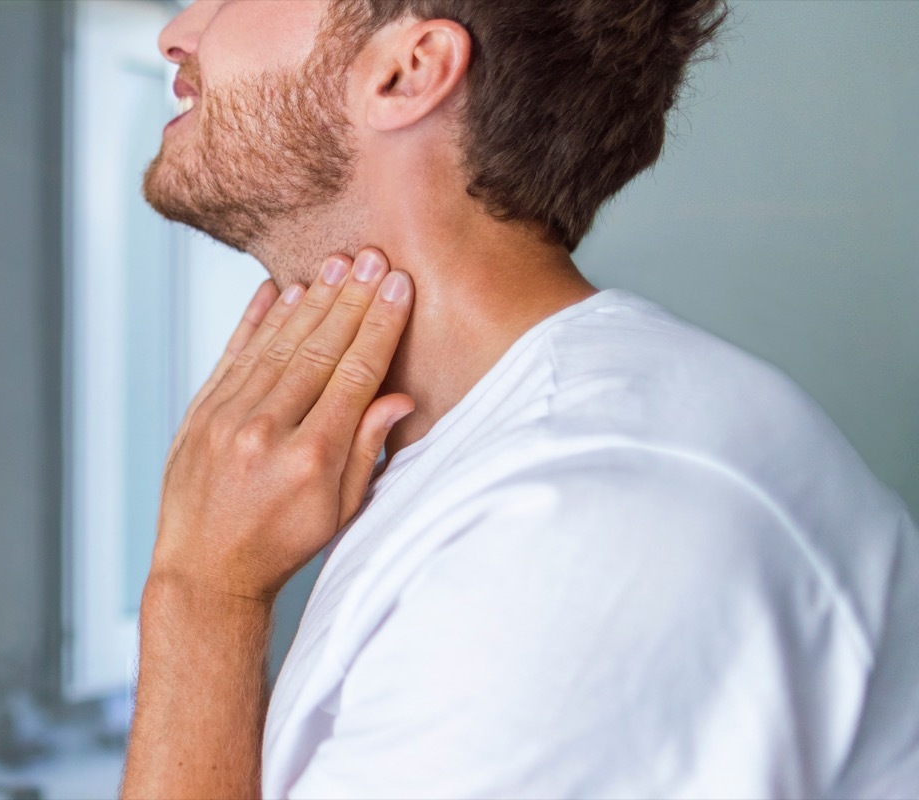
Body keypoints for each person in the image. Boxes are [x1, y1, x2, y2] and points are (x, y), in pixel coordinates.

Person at [123, 1, 919, 797]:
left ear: (409, 73)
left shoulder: (593, 517)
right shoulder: (493, 467)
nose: (178, 33)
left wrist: (203, 596)